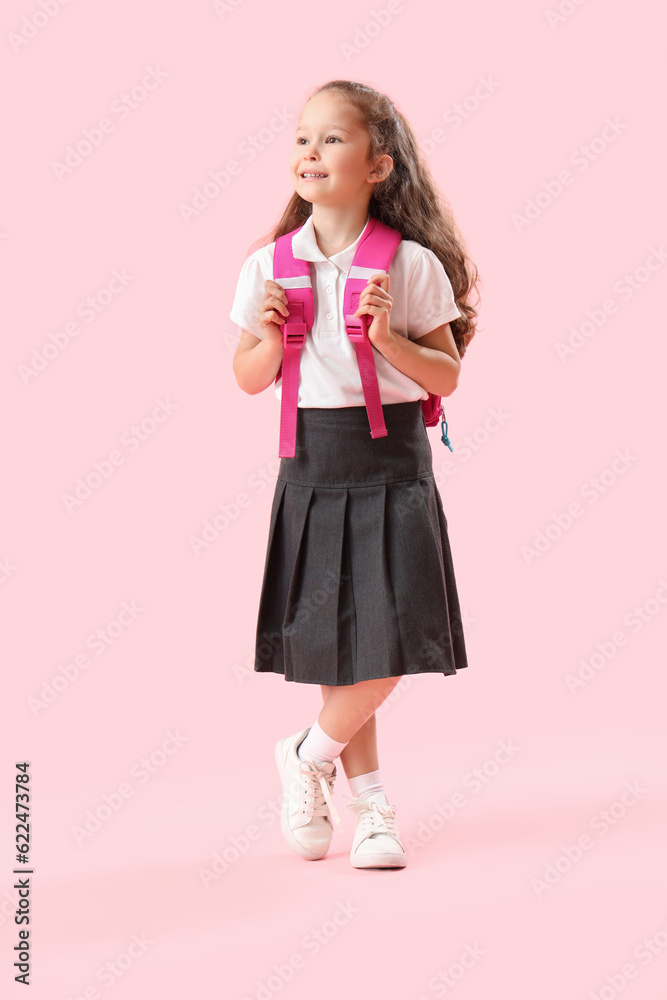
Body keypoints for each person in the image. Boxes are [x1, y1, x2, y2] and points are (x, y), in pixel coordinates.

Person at [230, 79, 480, 870]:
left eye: (331, 139)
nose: (310, 151)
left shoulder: (408, 266)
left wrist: (384, 339)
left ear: (378, 165)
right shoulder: (267, 266)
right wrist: (266, 338)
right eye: (302, 137)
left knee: (394, 637)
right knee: (345, 646)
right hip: (310, 462)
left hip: (392, 464)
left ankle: (306, 753)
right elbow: (246, 375)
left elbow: (443, 376)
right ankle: (371, 810)